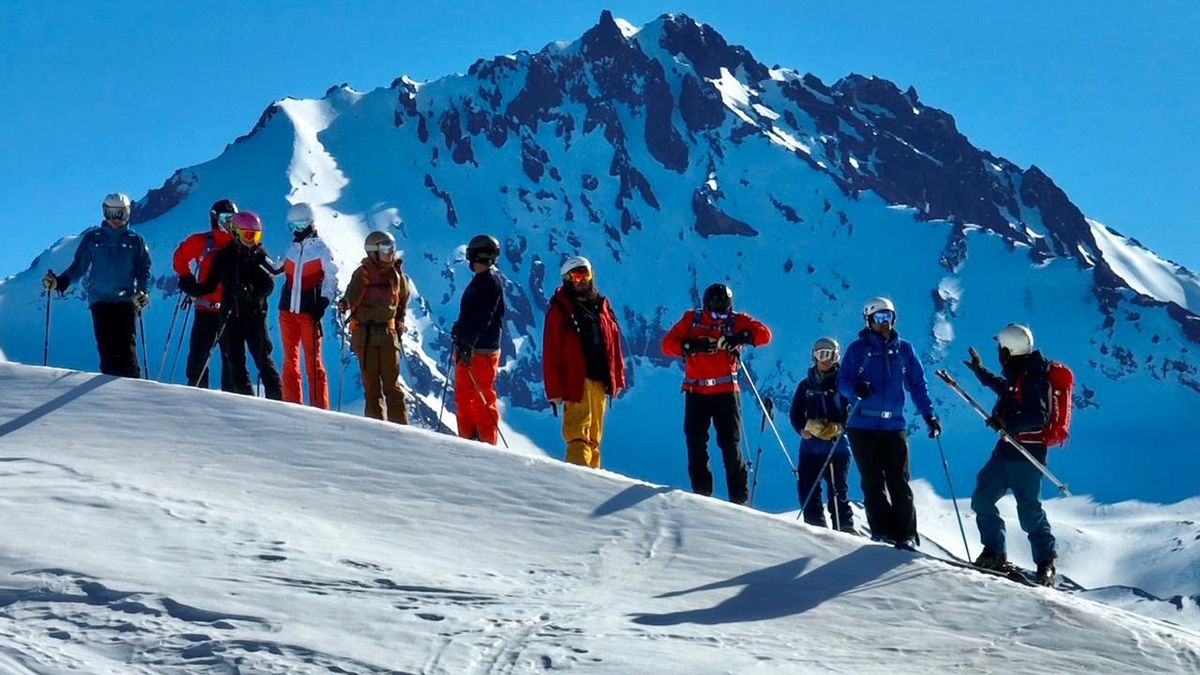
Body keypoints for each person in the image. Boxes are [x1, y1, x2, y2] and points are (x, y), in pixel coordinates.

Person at [838, 296, 940, 550]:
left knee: (899, 480)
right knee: (872, 481)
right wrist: (855, 389)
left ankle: (906, 535)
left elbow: (917, 384)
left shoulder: (904, 349)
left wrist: (929, 415)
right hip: (862, 426)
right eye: (880, 318)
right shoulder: (857, 349)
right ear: (869, 321)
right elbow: (842, 382)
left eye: (889, 317)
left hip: (894, 425)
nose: (886, 323)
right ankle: (881, 532)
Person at [965, 323, 1059, 586]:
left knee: (1029, 510)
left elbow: (1037, 416)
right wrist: (981, 372)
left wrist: (1006, 424)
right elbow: (1006, 390)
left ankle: (1046, 562)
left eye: (1000, 347)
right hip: (1007, 448)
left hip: (1027, 452)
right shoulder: (1020, 372)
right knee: (982, 497)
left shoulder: (1034, 378)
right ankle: (994, 552)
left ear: (1009, 349)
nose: (998, 351)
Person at [661, 283, 771, 504]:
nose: (719, 315)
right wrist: (690, 346)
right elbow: (667, 345)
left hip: (725, 393)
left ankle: (738, 500)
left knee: (730, 445)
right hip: (697, 391)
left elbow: (765, 335)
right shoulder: (692, 319)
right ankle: (702, 497)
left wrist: (740, 338)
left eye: (724, 310)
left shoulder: (736, 321)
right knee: (696, 443)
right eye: (715, 310)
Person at [43, 192, 151, 378]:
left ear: (128, 214)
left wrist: (142, 292)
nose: (115, 219)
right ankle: (108, 399)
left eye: (120, 214)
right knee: (108, 351)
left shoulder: (135, 240)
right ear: (104, 213)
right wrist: (60, 282)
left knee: (128, 353)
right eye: (110, 214)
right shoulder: (94, 239)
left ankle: (134, 396)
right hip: (100, 301)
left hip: (126, 301)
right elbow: (78, 267)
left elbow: (144, 269)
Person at [180, 211, 283, 400]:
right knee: (235, 362)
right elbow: (210, 285)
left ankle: (277, 402)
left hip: (254, 316)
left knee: (263, 360)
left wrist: (250, 292)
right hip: (229, 317)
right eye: (249, 235)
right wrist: (192, 287)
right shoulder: (224, 256)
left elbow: (269, 284)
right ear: (236, 232)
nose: (253, 240)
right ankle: (244, 404)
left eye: (257, 235)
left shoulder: (259, 255)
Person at [542, 255, 627, 468]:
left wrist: (617, 379)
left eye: (585, 275)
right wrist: (554, 389)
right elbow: (551, 351)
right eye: (576, 275)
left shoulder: (602, 306)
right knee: (578, 435)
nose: (581, 280)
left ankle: (593, 480)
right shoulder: (560, 309)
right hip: (576, 380)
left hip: (600, 379)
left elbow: (614, 344)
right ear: (567, 279)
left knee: (594, 438)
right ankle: (578, 482)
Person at [339, 230, 410, 424]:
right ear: (373, 251)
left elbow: (402, 301)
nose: (390, 253)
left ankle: (401, 431)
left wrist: (400, 320)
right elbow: (351, 294)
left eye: (392, 249)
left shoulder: (397, 275)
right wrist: (345, 303)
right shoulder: (362, 274)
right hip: (367, 335)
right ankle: (378, 433)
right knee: (372, 389)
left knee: (392, 386)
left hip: (387, 334)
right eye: (386, 249)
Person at [789, 337, 855, 532]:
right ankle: (815, 531)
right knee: (807, 491)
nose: (825, 360)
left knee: (837, 493)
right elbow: (795, 413)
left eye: (830, 355)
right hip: (810, 449)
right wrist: (802, 429)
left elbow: (852, 413)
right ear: (814, 357)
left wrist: (838, 428)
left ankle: (845, 530)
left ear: (837, 357)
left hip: (836, 448)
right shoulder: (805, 385)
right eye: (821, 354)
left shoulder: (844, 385)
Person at [278, 202, 339, 409]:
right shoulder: (291, 249)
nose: (297, 230)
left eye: (301, 224)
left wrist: (323, 301)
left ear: (311, 224)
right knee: (290, 361)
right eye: (293, 226)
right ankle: (291, 404)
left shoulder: (321, 250)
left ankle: (319, 409)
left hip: (309, 313)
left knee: (313, 363)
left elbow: (331, 279)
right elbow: (275, 268)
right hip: (287, 312)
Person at [172, 198, 237, 389]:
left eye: (233, 219)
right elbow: (180, 257)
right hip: (206, 309)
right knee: (198, 359)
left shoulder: (240, 243)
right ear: (215, 218)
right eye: (226, 218)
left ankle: (233, 403)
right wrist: (187, 280)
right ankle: (196, 397)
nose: (229, 223)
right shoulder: (203, 241)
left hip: (231, 310)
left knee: (232, 360)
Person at [450, 234, 507, 444]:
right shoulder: (485, 281)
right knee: (467, 397)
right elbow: (478, 315)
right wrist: (461, 329)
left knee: (480, 398)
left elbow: (484, 316)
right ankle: (471, 438)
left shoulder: (489, 282)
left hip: (480, 350)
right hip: (476, 347)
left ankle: (482, 442)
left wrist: (468, 340)